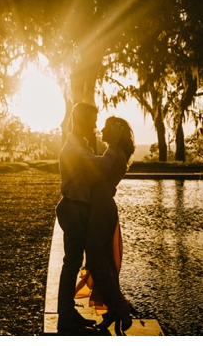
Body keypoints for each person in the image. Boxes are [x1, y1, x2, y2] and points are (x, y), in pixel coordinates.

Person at [56, 102, 121, 335]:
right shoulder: (74, 148)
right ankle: (65, 318)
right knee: (71, 263)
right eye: (92, 121)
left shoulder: (80, 145)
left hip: (79, 208)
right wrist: (115, 144)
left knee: (74, 263)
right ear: (81, 120)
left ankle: (68, 312)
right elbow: (101, 166)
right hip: (75, 209)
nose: (94, 126)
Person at [77, 116, 135, 335]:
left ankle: (120, 306)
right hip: (101, 208)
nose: (101, 130)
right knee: (101, 261)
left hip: (101, 210)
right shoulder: (115, 153)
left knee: (98, 261)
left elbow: (97, 167)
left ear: (117, 132)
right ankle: (113, 309)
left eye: (107, 128)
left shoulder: (115, 153)